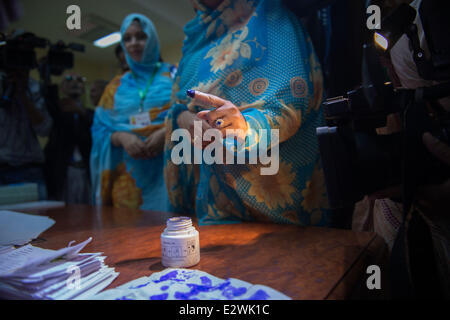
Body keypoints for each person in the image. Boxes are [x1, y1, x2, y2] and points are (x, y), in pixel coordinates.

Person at [163, 0, 331, 226]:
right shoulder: (195, 38)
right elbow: (179, 104)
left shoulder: (267, 14)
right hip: (214, 200)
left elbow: (294, 97)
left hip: (277, 203)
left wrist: (243, 127)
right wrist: (185, 119)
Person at [90, 13, 174, 211]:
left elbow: (193, 112)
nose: (134, 43)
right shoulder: (115, 86)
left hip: (170, 174)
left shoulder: (174, 73)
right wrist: (121, 137)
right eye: (127, 38)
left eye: (141, 36)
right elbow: (99, 129)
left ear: (152, 38)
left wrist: (166, 132)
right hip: (128, 180)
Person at [0, 32, 52, 200]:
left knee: (40, 223)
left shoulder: (34, 88)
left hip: (30, 169)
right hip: (2, 167)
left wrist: (23, 94)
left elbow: (45, 129)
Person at [44, 73, 93, 204]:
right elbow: (49, 102)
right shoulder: (57, 111)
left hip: (86, 171)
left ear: (84, 89)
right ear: (62, 88)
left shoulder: (91, 115)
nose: (75, 83)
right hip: (63, 171)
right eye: (69, 80)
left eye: (80, 80)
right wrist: (46, 74)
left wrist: (80, 111)